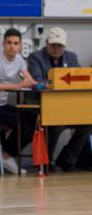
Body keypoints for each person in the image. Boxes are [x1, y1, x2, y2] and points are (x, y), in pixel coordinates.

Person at [28, 27, 92, 171]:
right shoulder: (35, 57)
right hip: (43, 105)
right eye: (53, 45)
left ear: (65, 45)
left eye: (60, 45)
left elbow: (80, 79)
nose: (57, 48)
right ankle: (46, 161)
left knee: (88, 122)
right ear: (46, 43)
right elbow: (36, 81)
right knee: (56, 124)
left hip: (69, 106)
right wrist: (57, 83)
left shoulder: (72, 57)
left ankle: (68, 159)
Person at [0, 28, 37, 174]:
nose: (12, 46)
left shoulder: (19, 60)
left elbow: (29, 80)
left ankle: (6, 154)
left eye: (15, 43)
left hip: (1, 105)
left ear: (20, 46)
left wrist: (42, 84)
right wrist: (16, 86)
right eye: (9, 43)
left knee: (34, 119)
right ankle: (6, 155)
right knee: (21, 121)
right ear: (3, 44)